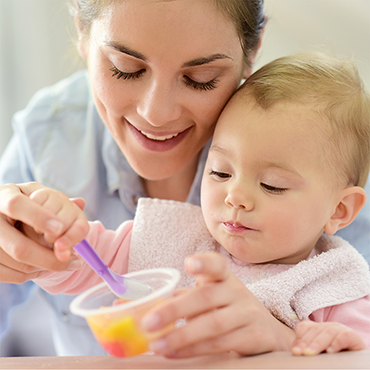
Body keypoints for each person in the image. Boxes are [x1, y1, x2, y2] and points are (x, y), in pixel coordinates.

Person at [0, 0, 368, 356]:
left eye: (200, 79)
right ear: (82, 28)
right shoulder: (173, 236)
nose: (156, 114)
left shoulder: (322, 154)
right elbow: (88, 263)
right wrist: (47, 244)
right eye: (125, 68)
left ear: (252, 49)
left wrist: (285, 344)